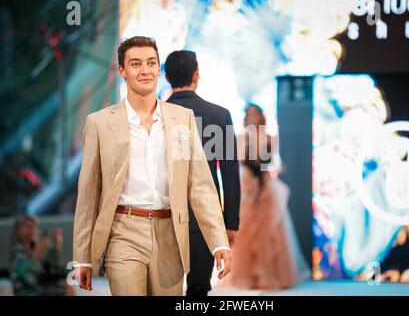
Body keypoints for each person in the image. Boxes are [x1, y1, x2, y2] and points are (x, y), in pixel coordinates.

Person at [72, 36, 231, 296]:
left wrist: (218, 242)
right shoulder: (100, 123)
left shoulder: (182, 119)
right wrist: (82, 257)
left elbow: (200, 186)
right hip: (123, 232)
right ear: (122, 71)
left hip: (171, 233)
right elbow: (88, 194)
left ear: (159, 69)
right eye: (135, 64)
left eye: (151, 63)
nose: (145, 70)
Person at [165, 50, 240, 296]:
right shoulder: (219, 115)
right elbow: (229, 174)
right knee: (198, 290)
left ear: (166, 77)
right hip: (204, 217)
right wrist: (230, 223)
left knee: (164, 288)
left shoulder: (156, 116)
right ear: (196, 75)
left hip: (162, 216)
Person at [231, 104, 300, 290]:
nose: (253, 117)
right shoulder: (240, 138)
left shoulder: (270, 138)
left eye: (256, 113)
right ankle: (247, 276)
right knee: (246, 228)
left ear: (261, 116)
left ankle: (268, 275)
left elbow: (276, 163)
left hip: (265, 184)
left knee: (269, 228)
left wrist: (264, 166)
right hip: (247, 185)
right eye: (249, 114)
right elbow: (237, 160)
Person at [10, 215, 64, 295]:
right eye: (29, 227)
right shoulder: (17, 251)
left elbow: (53, 268)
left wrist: (56, 247)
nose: (34, 231)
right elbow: (30, 279)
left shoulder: (34, 247)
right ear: (18, 230)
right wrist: (37, 253)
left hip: (42, 288)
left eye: (35, 227)